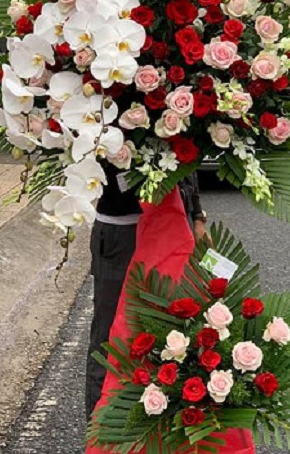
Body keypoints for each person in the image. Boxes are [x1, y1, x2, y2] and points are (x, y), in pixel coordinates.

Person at [85, 168, 206, 418]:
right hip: (121, 234)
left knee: (172, 337)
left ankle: (157, 430)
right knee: (111, 343)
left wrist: (197, 216)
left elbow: (188, 155)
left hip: (174, 227)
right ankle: (99, 434)